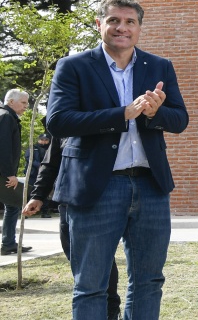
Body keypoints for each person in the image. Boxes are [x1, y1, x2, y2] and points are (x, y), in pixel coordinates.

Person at [46, 0, 189, 319]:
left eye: (130, 22)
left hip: (150, 187)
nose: (121, 28)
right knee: (91, 285)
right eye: (114, 20)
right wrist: (120, 114)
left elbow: (180, 119)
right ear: (99, 24)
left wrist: (155, 113)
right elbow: (57, 121)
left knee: (149, 280)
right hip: (97, 187)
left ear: (139, 28)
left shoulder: (159, 66)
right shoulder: (73, 67)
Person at [23, 133, 122, 319]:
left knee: (100, 258)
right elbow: (50, 161)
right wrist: (38, 195)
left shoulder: (101, 115)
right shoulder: (62, 121)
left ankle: (110, 310)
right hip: (69, 200)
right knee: (79, 259)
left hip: (97, 200)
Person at [1, 89, 31, 256]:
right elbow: (3, 148)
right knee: (13, 204)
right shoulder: (6, 117)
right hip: (3, 174)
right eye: (24, 103)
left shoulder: (7, 117)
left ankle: (9, 243)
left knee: (12, 205)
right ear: (11, 102)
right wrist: (9, 174)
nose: (26, 107)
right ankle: (8, 243)